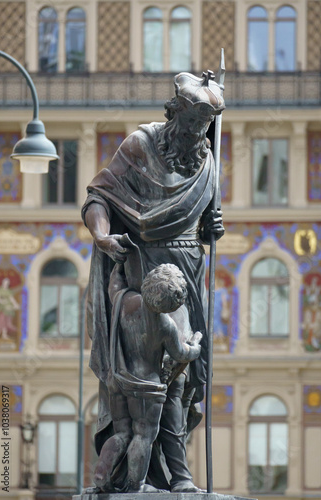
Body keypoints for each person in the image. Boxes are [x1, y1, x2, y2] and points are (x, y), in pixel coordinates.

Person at [82, 70, 225, 491]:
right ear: (173, 114)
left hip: (188, 280)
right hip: (145, 276)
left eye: (204, 128)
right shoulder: (139, 146)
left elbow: (205, 222)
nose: (196, 136)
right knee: (154, 376)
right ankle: (142, 479)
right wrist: (102, 236)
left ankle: (179, 478)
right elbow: (98, 197)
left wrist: (212, 229)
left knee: (181, 381)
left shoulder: (208, 158)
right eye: (190, 125)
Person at [93, 262, 201, 492]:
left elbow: (114, 287)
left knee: (122, 432)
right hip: (146, 388)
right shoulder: (166, 325)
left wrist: (118, 267)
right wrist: (196, 346)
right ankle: (137, 485)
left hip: (118, 379)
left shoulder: (126, 302)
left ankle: (101, 474)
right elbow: (182, 353)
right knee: (143, 436)